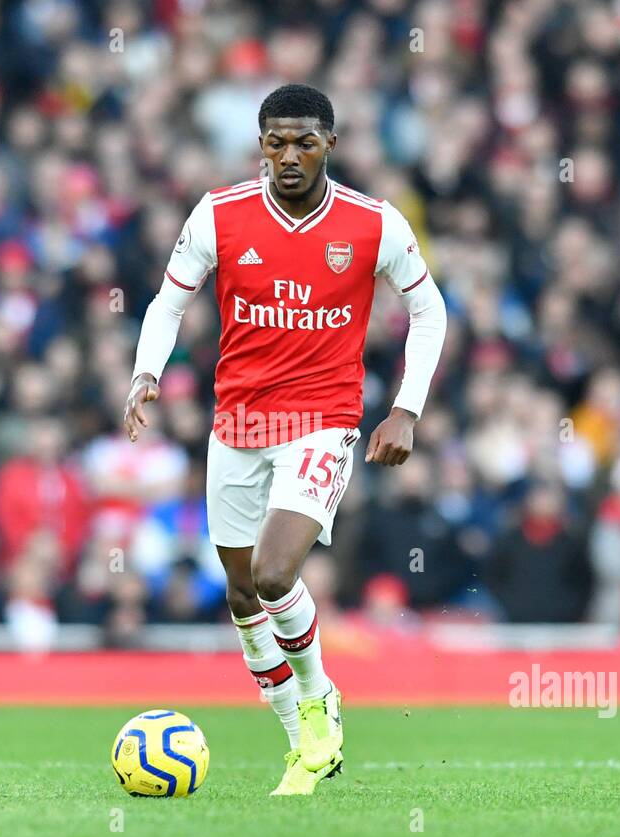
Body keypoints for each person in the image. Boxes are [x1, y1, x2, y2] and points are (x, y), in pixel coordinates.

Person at [124, 84, 446, 795]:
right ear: (260, 145)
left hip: (323, 422)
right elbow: (167, 302)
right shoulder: (219, 214)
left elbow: (428, 311)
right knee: (242, 597)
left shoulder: (373, 224)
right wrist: (146, 371)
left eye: (304, 141)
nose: (289, 156)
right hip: (238, 424)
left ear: (330, 142)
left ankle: (318, 697)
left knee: (274, 575)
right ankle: (303, 743)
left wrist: (407, 410)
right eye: (276, 142)